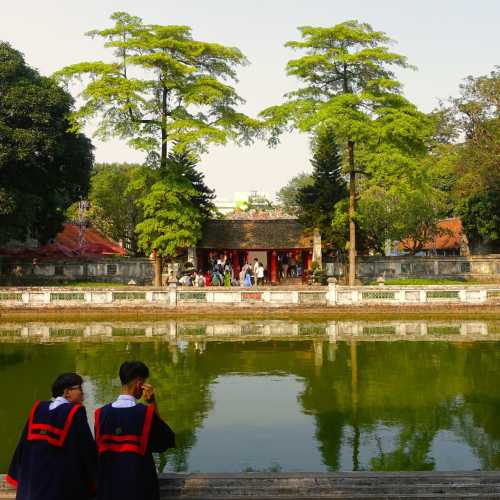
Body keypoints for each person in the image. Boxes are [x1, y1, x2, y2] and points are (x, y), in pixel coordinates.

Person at [6, 373, 97, 500]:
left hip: (30, 491)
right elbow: (87, 451)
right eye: (80, 389)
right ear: (67, 392)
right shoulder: (75, 413)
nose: (83, 394)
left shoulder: (38, 409)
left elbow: (23, 448)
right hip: (59, 491)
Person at [94, 361, 175, 500]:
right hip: (139, 486)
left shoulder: (101, 413)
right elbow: (165, 441)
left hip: (108, 487)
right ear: (139, 383)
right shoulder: (144, 413)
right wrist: (152, 403)